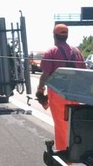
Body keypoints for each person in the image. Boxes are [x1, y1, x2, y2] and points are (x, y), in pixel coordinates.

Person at [36, 24, 87, 154]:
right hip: (75, 94)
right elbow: (84, 74)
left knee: (61, 126)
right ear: (66, 36)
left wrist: (40, 90)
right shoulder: (77, 52)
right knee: (74, 124)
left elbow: (45, 75)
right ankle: (77, 152)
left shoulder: (51, 52)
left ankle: (65, 156)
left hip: (58, 95)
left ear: (54, 35)